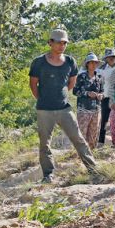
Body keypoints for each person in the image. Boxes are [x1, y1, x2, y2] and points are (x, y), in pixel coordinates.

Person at [29, 29, 98, 182]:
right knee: (44, 144)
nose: (62, 45)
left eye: (65, 42)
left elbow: (71, 83)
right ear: (50, 43)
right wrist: (43, 100)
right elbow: (33, 84)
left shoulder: (70, 61)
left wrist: (60, 96)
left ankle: (94, 170)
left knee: (78, 139)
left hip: (64, 108)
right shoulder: (39, 62)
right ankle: (48, 174)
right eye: (59, 42)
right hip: (44, 109)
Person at [73, 53, 104, 149]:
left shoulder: (99, 78)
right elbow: (75, 91)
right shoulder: (81, 77)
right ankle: (80, 154)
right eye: (91, 63)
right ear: (87, 64)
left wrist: (100, 95)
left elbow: (102, 92)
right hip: (83, 110)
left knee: (94, 133)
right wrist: (87, 93)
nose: (94, 65)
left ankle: (91, 153)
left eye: (95, 63)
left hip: (96, 110)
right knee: (82, 133)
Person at [96, 48, 115, 145]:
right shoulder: (101, 70)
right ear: (106, 58)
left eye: (113, 57)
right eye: (109, 57)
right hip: (105, 97)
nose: (112, 59)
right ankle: (101, 141)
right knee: (104, 120)